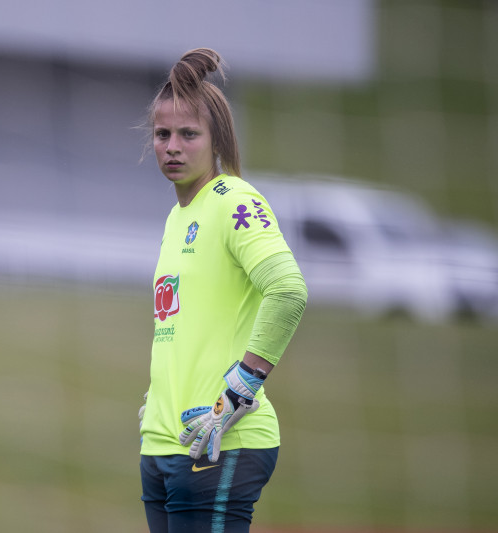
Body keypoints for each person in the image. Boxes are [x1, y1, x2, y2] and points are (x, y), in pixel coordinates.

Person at [138, 48, 308, 533]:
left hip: (221, 441)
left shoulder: (234, 198)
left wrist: (242, 387)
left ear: (217, 141)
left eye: (188, 134)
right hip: (162, 443)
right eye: (162, 134)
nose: (173, 146)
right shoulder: (176, 217)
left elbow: (288, 291)